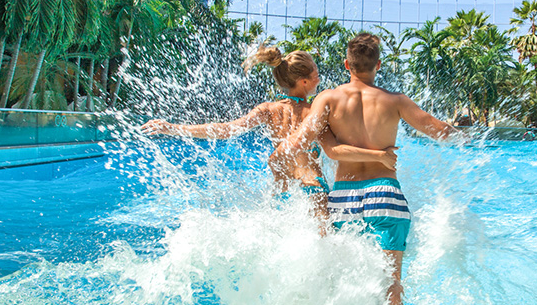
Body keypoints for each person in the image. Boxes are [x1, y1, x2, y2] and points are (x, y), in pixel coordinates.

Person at [278, 32, 456, 305]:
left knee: (338, 280)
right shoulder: (395, 101)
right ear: (379, 65)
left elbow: (300, 140)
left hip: (343, 198)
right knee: (391, 287)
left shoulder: (328, 98)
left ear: (347, 64)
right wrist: (472, 139)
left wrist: (279, 158)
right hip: (385, 194)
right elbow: (436, 129)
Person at [139, 46, 395, 220]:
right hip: (313, 191)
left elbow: (226, 129)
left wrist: (174, 128)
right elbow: (337, 148)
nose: (319, 78)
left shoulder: (268, 110)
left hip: (283, 197)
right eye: (316, 74)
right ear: (304, 82)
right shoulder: (317, 112)